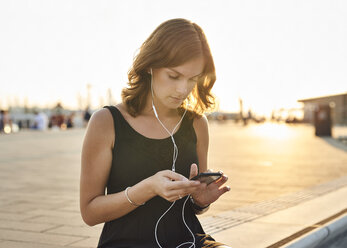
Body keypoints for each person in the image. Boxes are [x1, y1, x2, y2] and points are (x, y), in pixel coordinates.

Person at [80, 18, 231, 248]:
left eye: (193, 79)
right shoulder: (107, 122)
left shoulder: (197, 124)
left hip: (189, 241)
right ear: (151, 65)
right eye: (174, 76)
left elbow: (192, 208)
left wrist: (200, 202)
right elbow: (90, 212)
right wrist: (147, 188)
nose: (183, 89)